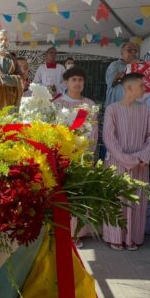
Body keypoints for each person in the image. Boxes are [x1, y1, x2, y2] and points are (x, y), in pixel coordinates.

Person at [103, 72, 150, 251]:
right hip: (118, 163)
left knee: (136, 201)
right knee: (117, 199)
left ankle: (133, 237)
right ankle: (115, 237)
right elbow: (109, 139)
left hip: (140, 165)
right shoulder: (112, 109)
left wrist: (141, 158)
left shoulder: (146, 109)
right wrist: (128, 160)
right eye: (141, 85)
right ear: (128, 88)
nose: (144, 88)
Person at [54, 67, 98, 248]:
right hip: (63, 156)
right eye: (73, 80)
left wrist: (86, 152)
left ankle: (77, 232)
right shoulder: (57, 103)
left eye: (80, 80)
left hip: (82, 156)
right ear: (65, 82)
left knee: (79, 193)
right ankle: (60, 230)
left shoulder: (89, 104)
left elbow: (94, 132)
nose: (77, 83)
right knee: (63, 193)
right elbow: (54, 130)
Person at [105, 42, 140, 107]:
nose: (133, 53)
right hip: (115, 107)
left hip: (132, 107)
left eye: (135, 50)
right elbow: (111, 81)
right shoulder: (115, 65)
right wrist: (130, 67)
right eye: (129, 50)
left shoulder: (139, 67)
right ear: (122, 53)